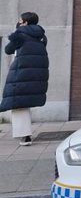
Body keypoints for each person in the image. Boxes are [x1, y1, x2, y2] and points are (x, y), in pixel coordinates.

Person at [0, 12, 49, 145]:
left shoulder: (20, 35)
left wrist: (16, 31)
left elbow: (8, 50)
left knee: (18, 104)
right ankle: (25, 134)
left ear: (25, 22)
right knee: (23, 103)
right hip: (37, 74)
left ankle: (25, 136)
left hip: (21, 73)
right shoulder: (41, 36)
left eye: (20, 21)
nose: (19, 22)